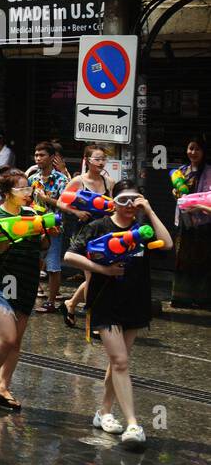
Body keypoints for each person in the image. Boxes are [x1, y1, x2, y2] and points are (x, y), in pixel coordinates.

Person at [65, 181, 172, 448]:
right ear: (113, 201)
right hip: (105, 302)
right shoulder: (98, 227)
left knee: (117, 363)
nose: (129, 206)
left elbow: (167, 243)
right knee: (121, 361)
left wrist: (149, 209)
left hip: (135, 302)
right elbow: (69, 256)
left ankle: (103, 411)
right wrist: (101, 270)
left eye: (134, 200)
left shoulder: (142, 230)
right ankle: (133, 424)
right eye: (123, 200)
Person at [0, 169, 50, 412]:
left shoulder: (33, 214)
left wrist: (48, 234)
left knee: (17, 341)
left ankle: (5, 386)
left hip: (26, 279)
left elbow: (43, 245)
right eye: (22, 189)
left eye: (29, 188)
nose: (28, 193)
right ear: (6, 193)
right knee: (8, 337)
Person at [60, 144, 114, 327]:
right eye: (97, 159)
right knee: (92, 278)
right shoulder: (78, 181)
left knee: (96, 278)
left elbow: (113, 207)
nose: (101, 162)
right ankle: (96, 323)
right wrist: (76, 213)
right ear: (87, 161)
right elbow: (61, 202)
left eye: (103, 159)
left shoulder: (109, 182)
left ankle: (71, 304)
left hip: (104, 235)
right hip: (83, 234)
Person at [27, 141, 71, 313]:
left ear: (52, 157)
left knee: (53, 266)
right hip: (34, 227)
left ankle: (51, 302)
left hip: (54, 228)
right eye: (36, 155)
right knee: (34, 262)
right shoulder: (32, 179)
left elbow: (65, 205)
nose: (38, 158)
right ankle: (35, 293)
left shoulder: (61, 180)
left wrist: (46, 199)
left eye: (42, 155)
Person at [171, 136, 210, 310]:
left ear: (204, 152)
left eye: (197, 149)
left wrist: (198, 206)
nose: (193, 152)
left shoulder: (209, 172)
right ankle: (182, 298)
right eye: (190, 148)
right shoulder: (181, 171)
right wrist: (176, 194)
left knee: (204, 261)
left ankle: (203, 299)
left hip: (204, 224)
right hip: (185, 224)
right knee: (183, 260)